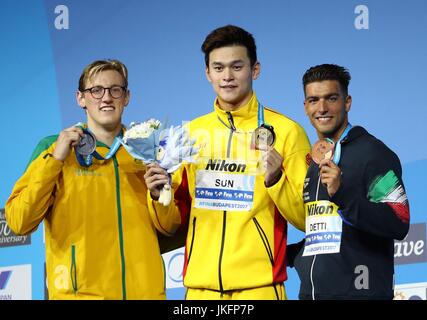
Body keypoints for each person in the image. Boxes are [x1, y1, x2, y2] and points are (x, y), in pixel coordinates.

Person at [144, 25, 311, 300]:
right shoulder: (188, 135)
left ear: (254, 70)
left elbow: (307, 219)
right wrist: (157, 194)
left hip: (260, 290)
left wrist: (276, 181)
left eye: (237, 67)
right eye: (219, 68)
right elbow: (170, 224)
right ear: (207, 73)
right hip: (200, 292)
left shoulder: (287, 132)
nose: (228, 77)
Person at [5, 59, 177, 299]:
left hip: (145, 293)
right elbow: (19, 221)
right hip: (81, 294)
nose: (106, 98)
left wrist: (160, 196)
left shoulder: (148, 151)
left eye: (115, 90)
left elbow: (170, 228)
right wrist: (55, 161)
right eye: (96, 90)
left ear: (126, 97)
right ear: (80, 98)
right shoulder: (53, 149)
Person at [287, 64, 410, 300]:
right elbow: (327, 236)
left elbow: (399, 221)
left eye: (331, 98)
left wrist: (342, 194)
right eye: (313, 100)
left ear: (347, 102)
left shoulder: (373, 153)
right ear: (305, 107)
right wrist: (287, 255)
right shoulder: (316, 161)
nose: (322, 108)